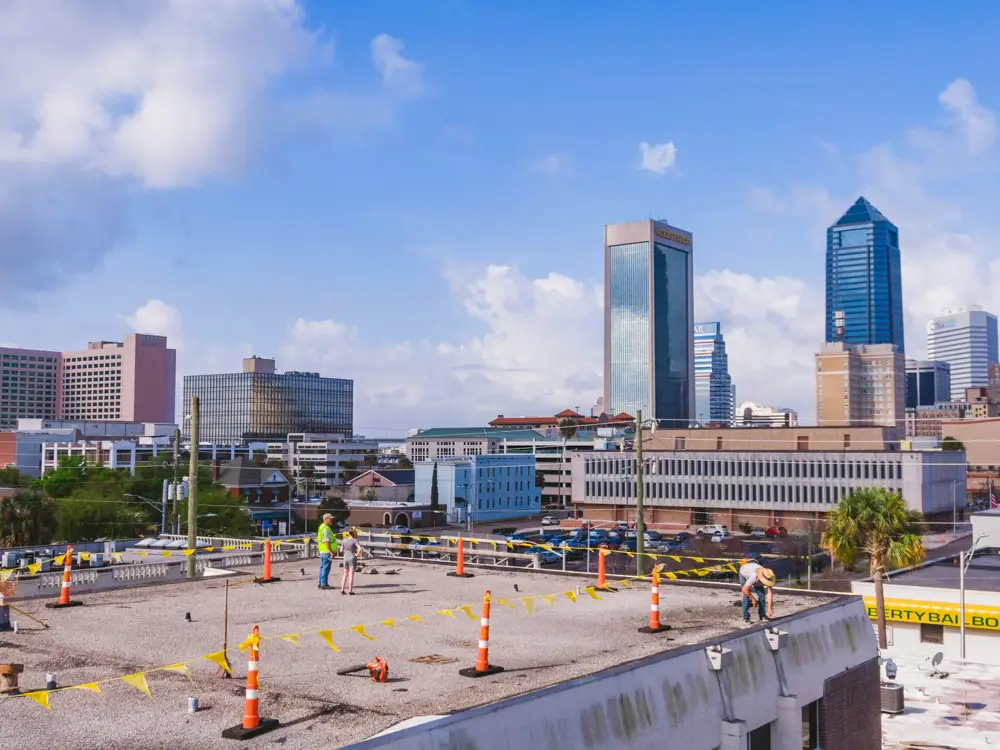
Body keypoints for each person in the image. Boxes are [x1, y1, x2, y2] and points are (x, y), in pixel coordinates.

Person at [738, 558, 775, 624]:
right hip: (743, 572)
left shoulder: (769, 576)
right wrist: (753, 599)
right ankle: (745, 617)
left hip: (755, 574)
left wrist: (769, 608)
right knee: (746, 596)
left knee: (762, 595)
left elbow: (770, 593)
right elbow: (745, 589)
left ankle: (762, 615)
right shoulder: (754, 576)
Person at [317, 513, 338, 590]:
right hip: (326, 552)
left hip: (322, 551)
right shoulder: (326, 529)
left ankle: (320, 583)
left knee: (322, 568)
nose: (331, 520)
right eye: (330, 518)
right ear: (325, 519)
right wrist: (331, 552)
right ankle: (324, 584)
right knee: (326, 568)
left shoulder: (321, 527)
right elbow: (327, 541)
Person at [341, 528, 362, 595]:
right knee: (351, 574)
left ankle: (342, 589)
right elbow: (360, 548)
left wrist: (345, 551)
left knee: (345, 574)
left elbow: (341, 550)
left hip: (345, 557)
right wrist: (357, 554)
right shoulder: (355, 540)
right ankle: (350, 590)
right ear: (354, 533)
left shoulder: (344, 540)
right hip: (352, 557)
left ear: (348, 533)